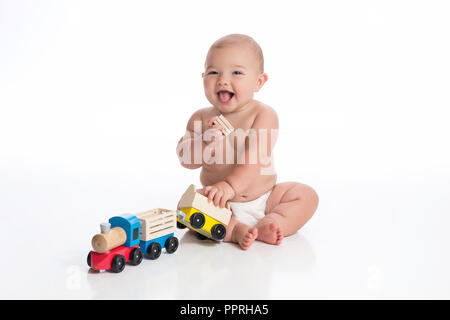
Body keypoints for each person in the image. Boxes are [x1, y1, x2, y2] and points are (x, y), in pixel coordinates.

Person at [176, 34, 319, 250]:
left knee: (305, 195)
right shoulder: (201, 118)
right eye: (214, 72)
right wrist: (207, 145)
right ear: (203, 76)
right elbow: (185, 158)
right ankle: (233, 230)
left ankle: (273, 221)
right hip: (219, 202)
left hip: (265, 197)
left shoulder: (263, 114)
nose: (223, 80)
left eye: (237, 73)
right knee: (189, 207)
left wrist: (230, 186)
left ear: (258, 82)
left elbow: (255, 160)